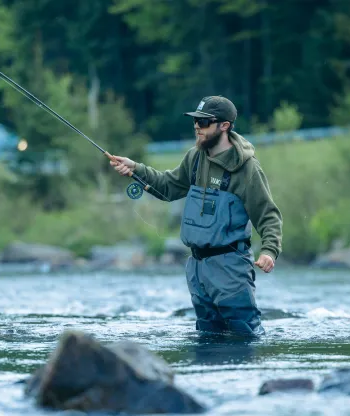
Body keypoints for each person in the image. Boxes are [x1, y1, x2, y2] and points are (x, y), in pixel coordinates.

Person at [107, 95, 283, 337]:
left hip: (230, 267)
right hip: (197, 268)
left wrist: (269, 251)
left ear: (225, 126)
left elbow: (268, 215)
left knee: (245, 336)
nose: (196, 127)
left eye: (204, 122)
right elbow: (167, 187)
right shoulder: (194, 157)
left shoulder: (247, 169)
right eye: (195, 121)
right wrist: (136, 169)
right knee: (208, 337)